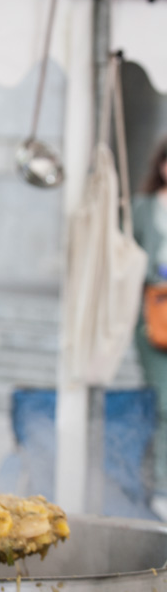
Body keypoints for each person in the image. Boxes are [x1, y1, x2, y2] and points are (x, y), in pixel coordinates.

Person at [133, 138, 167, 521]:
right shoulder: (143, 208)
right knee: (162, 402)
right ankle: (158, 484)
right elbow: (127, 255)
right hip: (155, 316)